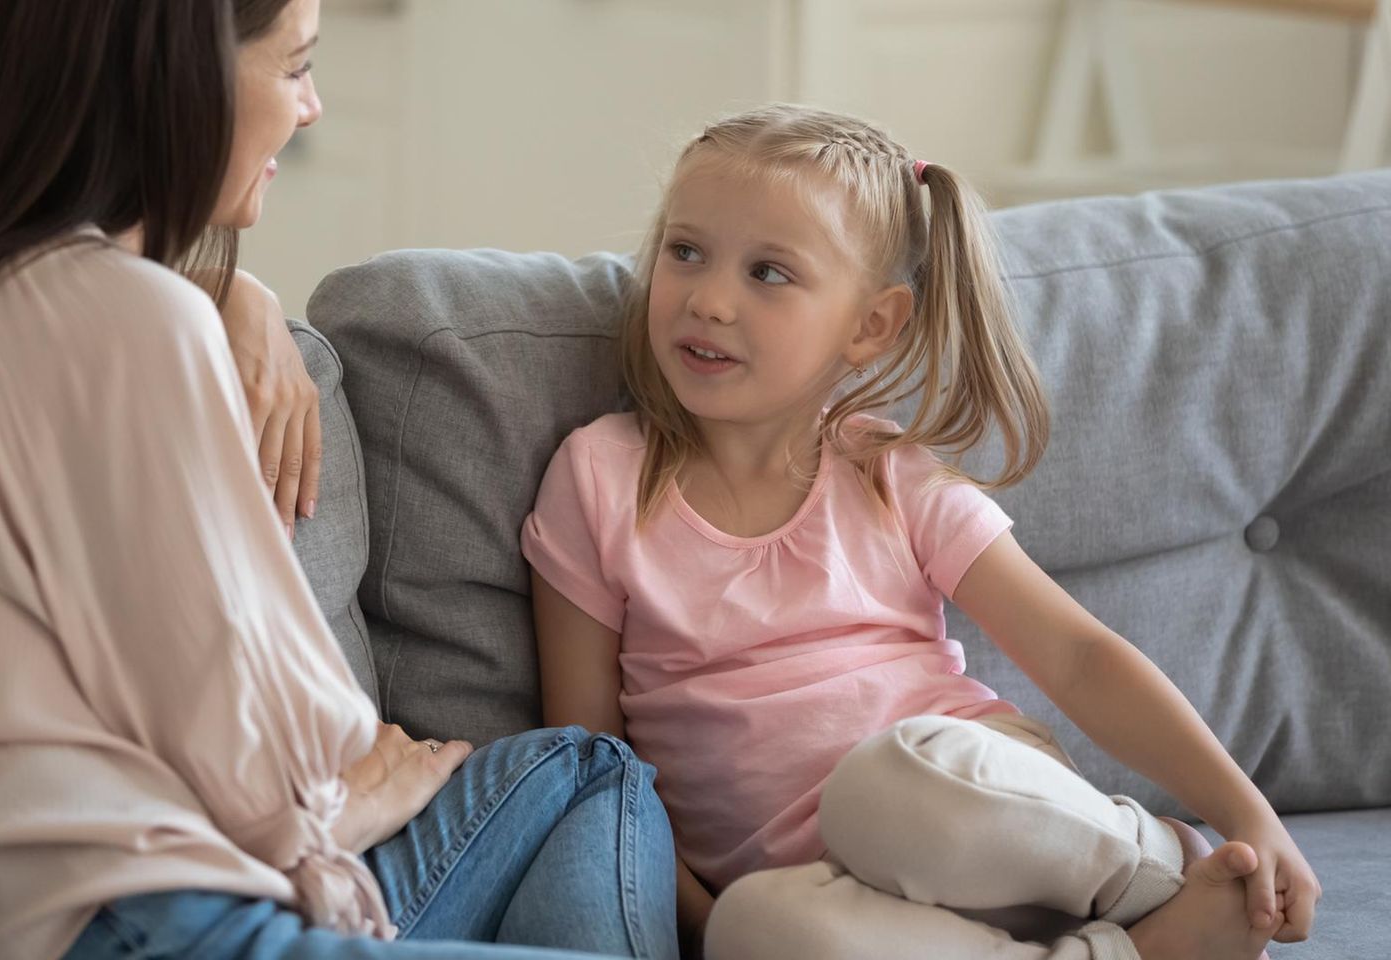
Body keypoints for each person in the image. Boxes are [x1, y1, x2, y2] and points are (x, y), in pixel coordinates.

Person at [0, 2, 678, 958]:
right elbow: (259, 762)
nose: (313, 107)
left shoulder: (14, 296)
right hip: (152, 918)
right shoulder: (124, 320)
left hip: (102, 906)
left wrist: (226, 289)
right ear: (178, 77)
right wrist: (344, 795)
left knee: (589, 766)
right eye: (294, 66)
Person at [521, 104, 1320, 960]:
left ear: (870, 326)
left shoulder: (887, 472)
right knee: (749, 925)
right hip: (851, 903)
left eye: (769, 273)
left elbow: (1080, 658)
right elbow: (596, 765)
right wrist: (697, 915)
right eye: (686, 253)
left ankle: (1152, 868)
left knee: (881, 787)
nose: (708, 300)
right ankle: (1124, 952)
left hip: (967, 814)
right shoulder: (599, 478)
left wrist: (1246, 814)